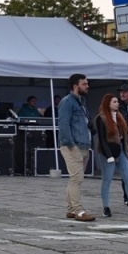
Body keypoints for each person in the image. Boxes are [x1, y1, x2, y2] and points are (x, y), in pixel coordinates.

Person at [93, 93, 128, 218]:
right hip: (107, 152)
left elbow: (124, 138)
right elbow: (102, 139)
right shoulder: (101, 118)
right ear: (107, 103)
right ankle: (106, 207)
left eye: (117, 102)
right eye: (114, 102)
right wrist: (109, 155)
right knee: (107, 179)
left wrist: (127, 152)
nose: (117, 103)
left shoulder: (120, 117)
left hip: (121, 151)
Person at [57, 73, 95, 221]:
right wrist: (71, 144)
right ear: (75, 86)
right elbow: (63, 124)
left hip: (83, 144)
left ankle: (71, 209)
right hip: (74, 145)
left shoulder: (81, 101)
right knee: (77, 179)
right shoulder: (68, 102)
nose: (87, 86)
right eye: (84, 84)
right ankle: (79, 210)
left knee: (74, 179)